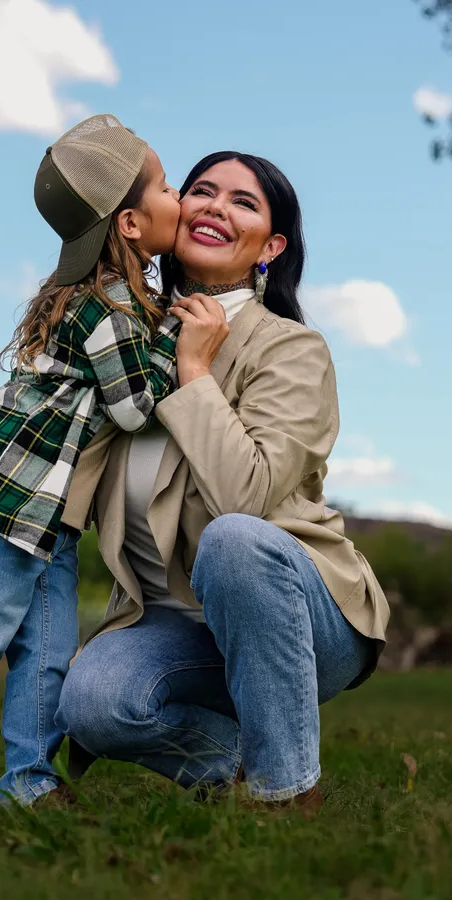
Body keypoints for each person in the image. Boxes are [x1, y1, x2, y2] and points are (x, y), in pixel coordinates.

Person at [56, 151, 390, 813]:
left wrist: (195, 372)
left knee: (235, 539)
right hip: (180, 629)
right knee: (94, 702)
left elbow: (247, 499)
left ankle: (286, 792)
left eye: (243, 201)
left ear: (270, 247)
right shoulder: (123, 343)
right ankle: (240, 759)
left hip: (307, 619)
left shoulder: (290, 348)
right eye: (201, 191)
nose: (214, 205)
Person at [0, 114, 183, 809]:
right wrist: (182, 346)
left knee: (48, 651)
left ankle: (28, 781)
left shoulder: (121, 306)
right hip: (8, 502)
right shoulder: (106, 311)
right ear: (129, 226)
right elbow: (135, 409)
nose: (179, 198)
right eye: (169, 187)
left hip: (51, 517)